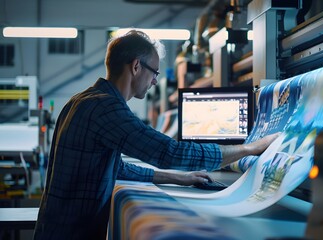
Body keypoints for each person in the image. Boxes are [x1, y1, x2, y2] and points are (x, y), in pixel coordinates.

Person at [33, 30, 279, 240]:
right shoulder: (106, 108)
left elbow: (114, 167)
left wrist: (177, 178)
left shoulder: (82, 100)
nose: (153, 82)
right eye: (154, 73)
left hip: (56, 228)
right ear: (136, 66)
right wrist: (250, 148)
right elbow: (169, 152)